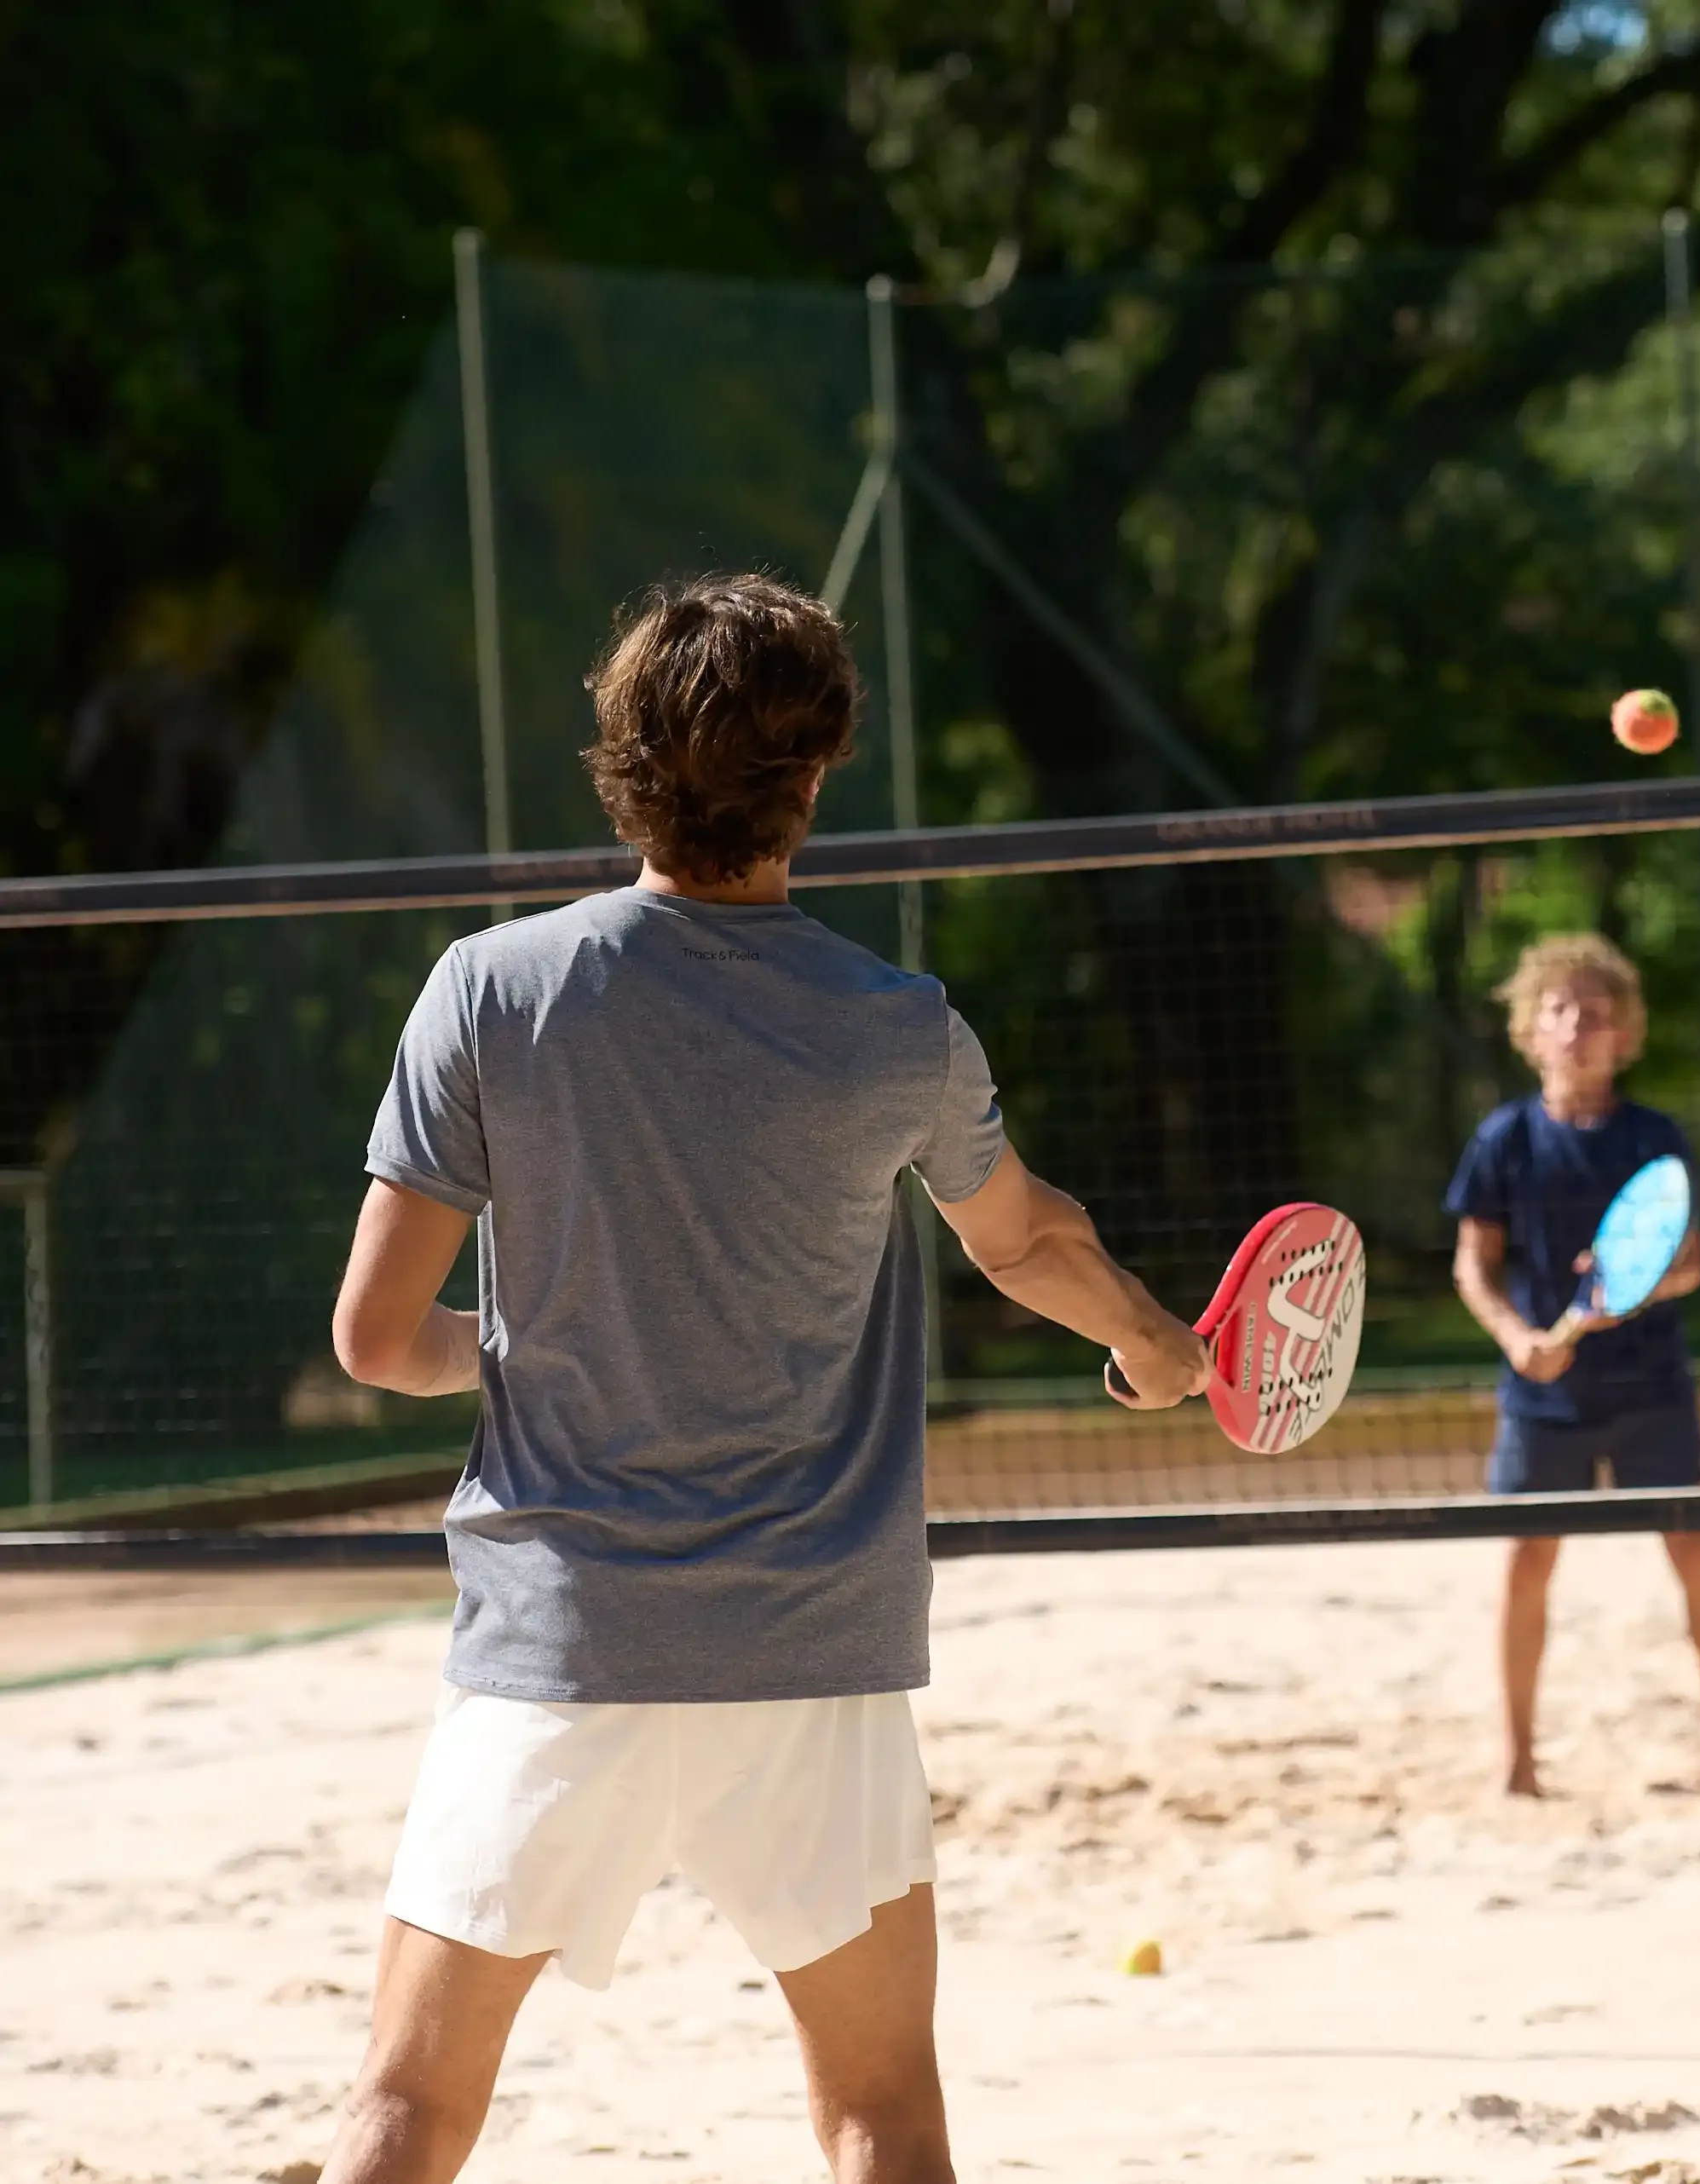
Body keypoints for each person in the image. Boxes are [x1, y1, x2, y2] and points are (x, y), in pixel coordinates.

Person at [317, 573, 1211, 2184]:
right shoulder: (898, 1025)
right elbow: (1027, 1240)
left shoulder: (491, 990)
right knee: (882, 2118)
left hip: (561, 1644)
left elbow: (378, 1340)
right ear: (821, 765)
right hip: (813, 1652)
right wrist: (1150, 1338)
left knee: (405, 2116)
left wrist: (507, 1352)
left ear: (621, 753)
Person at [1445, 932, 1700, 1799]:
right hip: (1542, 1393)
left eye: (1596, 1012)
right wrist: (1517, 1337)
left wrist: (1635, 1293)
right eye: (1561, 1009)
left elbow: (1689, 1263)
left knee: (1695, 1548)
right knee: (1526, 1561)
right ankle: (1516, 1764)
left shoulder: (1654, 1137)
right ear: (1529, 1029)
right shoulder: (1505, 1138)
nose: (1578, 1025)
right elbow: (1473, 1264)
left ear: (1625, 1035)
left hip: (1649, 1382)